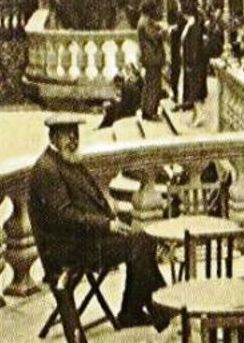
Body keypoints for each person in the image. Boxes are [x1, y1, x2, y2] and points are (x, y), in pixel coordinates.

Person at [26, 117, 167, 331]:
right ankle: (154, 312)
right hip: (67, 251)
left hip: (85, 240)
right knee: (140, 245)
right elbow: (66, 216)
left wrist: (112, 220)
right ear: (53, 137)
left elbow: (91, 201)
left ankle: (150, 311)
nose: (73, 138)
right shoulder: (48, 169)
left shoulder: (69, 161)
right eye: (66, 133)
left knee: (144, 241)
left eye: (75, 132)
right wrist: (106, 225)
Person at [136, 0, 166, 121]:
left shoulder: (143, 20)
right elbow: (154, 35)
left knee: (149, 84)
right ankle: (150, 111)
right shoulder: (146, 21)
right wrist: (162, 32)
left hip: (149, 57)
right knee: (154, 84)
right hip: (152, 57)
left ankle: (146, 109)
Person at [177, 0, 207, 108]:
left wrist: (191, 63)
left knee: (194, 91)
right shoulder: (190, 23)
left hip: (193, 63)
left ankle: (197, 114)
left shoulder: (194, 24)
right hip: (188, 61)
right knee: (192, 89)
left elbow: (194, 46)